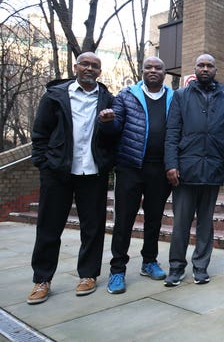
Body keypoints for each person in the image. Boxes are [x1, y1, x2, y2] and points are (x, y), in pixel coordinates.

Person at [27, 52, 115, 305]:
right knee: (49, 227)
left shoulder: (107, 98)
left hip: (92, 173)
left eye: (95, 66)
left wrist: (108, 146)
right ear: (76, 67)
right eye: (85, 64)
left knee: (93, 228)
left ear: (100, 71)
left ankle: (88, 275)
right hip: (58, 172)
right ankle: (42, 280)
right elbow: (40, 132)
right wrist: (43, 164)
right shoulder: (56, 96)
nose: (89, 68)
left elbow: (112, 138)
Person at [97, 56, 174, 294]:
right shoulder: (126, 96)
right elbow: (115, 125)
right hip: (130, 167)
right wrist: (108, 122)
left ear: (165, 72)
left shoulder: (174, 97)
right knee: (124, 221)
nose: (153, 70)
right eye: (148, 67)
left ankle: (149, 261)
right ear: (142, 71)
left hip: (159, 170)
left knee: (154, 219)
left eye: (158, 67)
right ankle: (117, 270)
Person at [163, 54, 224, 286]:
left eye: (209, 66)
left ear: (215, 70)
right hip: (185, 170)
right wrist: (171, 164)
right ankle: (176, 268)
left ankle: (201, 267)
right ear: (195, 69)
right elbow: (172, 132)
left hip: (212, 170)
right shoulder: (181, 96)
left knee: (206, 223)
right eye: (201, 65)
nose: (205, 69)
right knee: (181, 223)